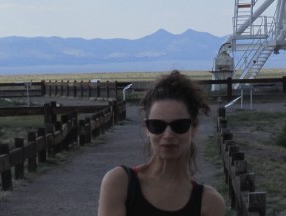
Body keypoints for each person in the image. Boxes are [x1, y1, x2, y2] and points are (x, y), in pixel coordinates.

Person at [97, 70, 226, 216]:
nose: (168, 135)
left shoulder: (209, 203)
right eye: (157, 126)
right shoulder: (120, 183)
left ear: (194, 127)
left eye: (179, 125)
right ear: (147, 128)